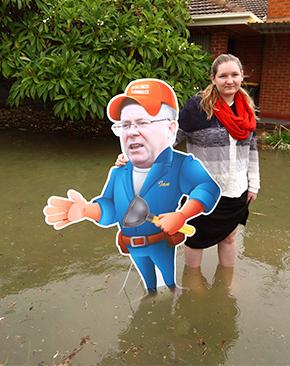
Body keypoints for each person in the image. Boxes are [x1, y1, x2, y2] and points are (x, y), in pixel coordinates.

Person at [43, 78, 221, 294]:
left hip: (159, 243)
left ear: (171, 128)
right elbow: (111, 208)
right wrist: (86, 210)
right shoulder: (119, 171)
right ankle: (153, 300)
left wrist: (182, 215)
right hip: (132, 246)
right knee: (150, 287)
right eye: (125, 125)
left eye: (143, 122)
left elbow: (208, 187)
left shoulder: (180, 165)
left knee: (167, 286)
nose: (132, 132)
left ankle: (169, 311)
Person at [116, 54, 260, 269]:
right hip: (206, 190)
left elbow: (252, 148)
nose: (229, 81)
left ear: (242, 77)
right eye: (223, 76)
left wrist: (253, 184)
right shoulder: (198, 107)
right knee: (195, 242)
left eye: (234, 75)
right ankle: (193, 285)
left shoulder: (246, 109)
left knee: (229, 238)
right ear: (213, 78)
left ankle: (227, 284)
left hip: (237, 190)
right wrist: (135, 156)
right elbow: (170, 139)